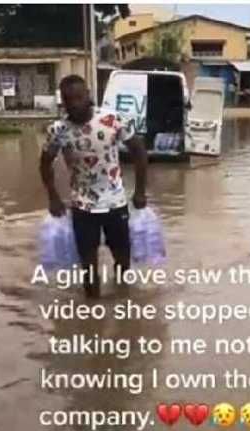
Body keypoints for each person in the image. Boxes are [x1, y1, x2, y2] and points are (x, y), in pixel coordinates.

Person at [40, 74, 148, 298]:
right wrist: (53, 196)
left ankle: (124, 311)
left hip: (115, 203)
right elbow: (44, 164)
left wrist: (140, 191)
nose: (75, 104)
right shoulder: (58, 131)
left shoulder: (111, 120)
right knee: (88, 268)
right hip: (82, 205)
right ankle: (92, 317)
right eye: (69, 100)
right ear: (64, 102)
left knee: (123, 263)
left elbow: (139, 151)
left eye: (79, 97)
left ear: (88, 96)